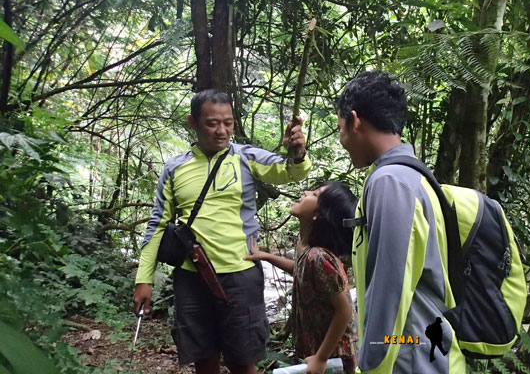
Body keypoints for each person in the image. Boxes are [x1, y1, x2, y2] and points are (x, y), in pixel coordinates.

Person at [132, 89, 311, 374]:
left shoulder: (246, 158)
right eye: (212, 123)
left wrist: (297, 150)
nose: (222, 131)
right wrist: (144, 280)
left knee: (243, 361)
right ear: (193, 122)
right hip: (191, 276)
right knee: (203, 359)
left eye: (228, 123)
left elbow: (292, 172)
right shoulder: (175, 168)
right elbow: (157, 224)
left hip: (240, 274)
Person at [336, 71, 466, 373]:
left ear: (354, 121)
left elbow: (389, 290)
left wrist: (370, 366)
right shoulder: (412, 175)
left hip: (411, 362)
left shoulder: (390, 182)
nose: (342, 139)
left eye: (340, 128)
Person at [244, 181, 358, 374]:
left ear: (319, 215)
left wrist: (321, 358)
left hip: (334, 355)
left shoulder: (320, 257)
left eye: (314, 194)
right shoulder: (306, 249)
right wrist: (267, 256)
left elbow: (344, 310)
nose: (305, 192)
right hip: (318, 350)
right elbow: (300, 270)